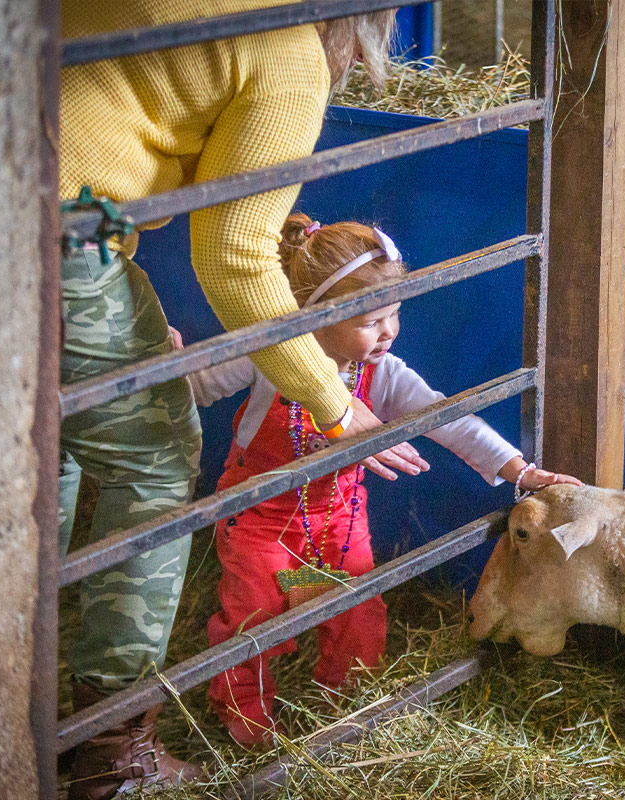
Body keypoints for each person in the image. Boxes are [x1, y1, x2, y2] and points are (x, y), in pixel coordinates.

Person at [57, 4, 420, 798]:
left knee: (35, 438)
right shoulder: (288, 44)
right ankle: (112, 755)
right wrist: (331, 400)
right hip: (60, 227)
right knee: (154, 461)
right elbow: (232, 255)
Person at [187, 214, 582, 746]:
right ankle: (245, 714)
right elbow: (200, 382)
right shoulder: (271, 354)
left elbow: (448, 419)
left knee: (360, 615)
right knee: (253, 615)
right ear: (320, 314)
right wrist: (167, 363)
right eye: (372, 321)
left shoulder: (385, 374)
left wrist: (519, 468)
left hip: (341, 515)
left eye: (395, 314)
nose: (389, 332)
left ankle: (343, 708)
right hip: (260, 513)